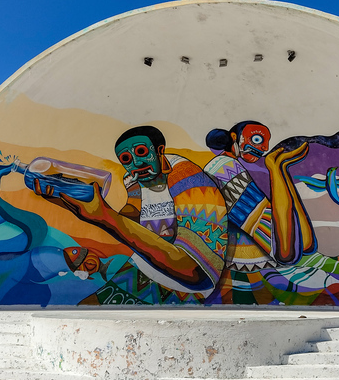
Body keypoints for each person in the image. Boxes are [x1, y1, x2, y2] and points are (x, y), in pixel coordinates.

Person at [34, 126, 227, 298]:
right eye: (127, 159)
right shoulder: (135, 180)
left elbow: (196, 272)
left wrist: (105, 216)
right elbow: (130, 215)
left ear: (159, 150)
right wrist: (68, 204)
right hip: (146, 270)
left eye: (141, 152)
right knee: (88, 306)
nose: (136, 163)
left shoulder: (188, 177)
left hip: (190, 290)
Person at [204, 121, 315, 270]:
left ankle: (278, 166)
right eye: (257, 139)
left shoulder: (228, 164)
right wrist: (275, 169)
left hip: (274, 239)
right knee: (288, 253)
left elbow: (306, 244)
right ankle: (277, 166)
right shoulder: (223, 166)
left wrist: (280, 169)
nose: (264, 148)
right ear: (234, 136)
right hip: (266, 244)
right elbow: (284, 252)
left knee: (306, 245)